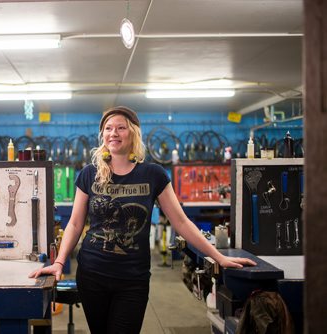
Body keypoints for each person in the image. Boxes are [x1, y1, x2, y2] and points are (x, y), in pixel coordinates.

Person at [29, 106, 256, 334]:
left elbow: (181, 222)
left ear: (133, 133)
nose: (113, 133)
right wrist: (59, 262)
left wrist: (217, 257)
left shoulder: (153, 174)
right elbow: (76, 224)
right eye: (108, 128)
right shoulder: (89, 174)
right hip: (92, 274)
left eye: (120, 128)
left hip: (132, 279)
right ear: (102, 135)